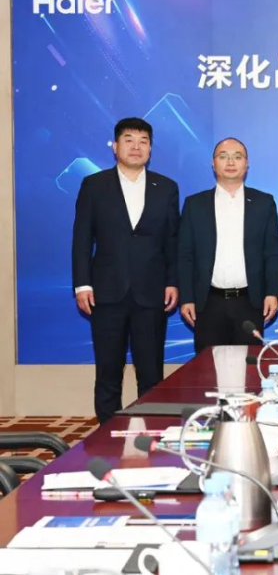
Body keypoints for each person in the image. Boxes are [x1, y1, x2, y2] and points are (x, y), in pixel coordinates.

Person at [71, 117, 179, 423]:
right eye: (129, 139)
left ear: (150, 149)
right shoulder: (94, 185)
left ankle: (152, 432)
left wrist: (173, 281)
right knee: (108, 371)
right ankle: (108, 433)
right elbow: (82, 239)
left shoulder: (166, 188)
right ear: (115, 146)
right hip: (106, 293)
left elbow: (172, 240)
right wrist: (82, 284)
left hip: (152, 293)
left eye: (143, 141)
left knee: (151, 372)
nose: (136, 146)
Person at [178, 138, 278, 352]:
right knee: (207, 368)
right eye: (223, 156)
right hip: (208, 303)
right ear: (213, 163)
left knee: (249, 366)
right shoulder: (195, 204)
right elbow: (185, 255)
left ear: (247, 164)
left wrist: (272, 293)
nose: (231, 162)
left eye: (238, 156)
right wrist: (186, 298)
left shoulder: (264, 202)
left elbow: (271, 252)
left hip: (250, 302)